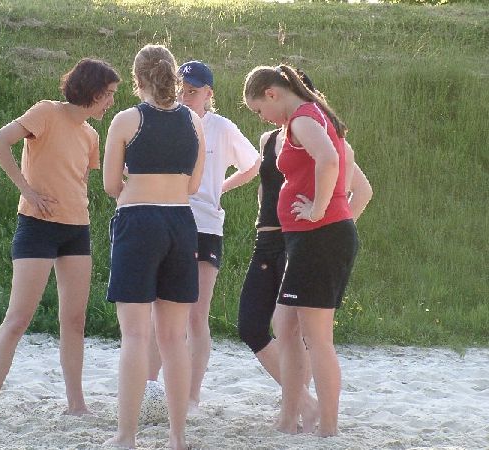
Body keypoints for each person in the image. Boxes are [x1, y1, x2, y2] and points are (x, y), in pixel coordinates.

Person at [0, 59, 120, 416]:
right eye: (108, 94)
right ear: (92, 91)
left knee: (74, 321)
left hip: (77, 230)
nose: (111, 102)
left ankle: (77, 405)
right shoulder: (46, 112)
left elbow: (80, 182)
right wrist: (27, 191)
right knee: (18, 319)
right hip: (37, 226)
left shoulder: (91, 135)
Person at [238, 72, 372, 433]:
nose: (262, 118)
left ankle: (328, 425)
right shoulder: (307, 117)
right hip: (306, 238)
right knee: (284, 325)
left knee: (317, 338)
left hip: (319, 236)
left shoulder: (302, 118)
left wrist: (317, 209)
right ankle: (290, 416)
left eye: (259, 110)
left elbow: (329, 160)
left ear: (272, 94)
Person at [102, 44, 205, 450]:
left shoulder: (127, 120)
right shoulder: (194, 122)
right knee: (174, 338)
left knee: (134, 336)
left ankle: (126, 436)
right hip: (181, 223)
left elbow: (111, 185)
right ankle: (178, 437)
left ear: (138, 79)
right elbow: (193, 185)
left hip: (138, 221)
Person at [147, 60, 261, 410]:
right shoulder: (164, 118)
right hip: (166, 220)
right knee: (160, 312)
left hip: (205, 225)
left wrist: (219, 188)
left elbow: (253, 164)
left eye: (193, 90)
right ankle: (149, 387)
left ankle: (192, 395)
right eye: (181, 89)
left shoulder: (221, 127)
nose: (185, 95)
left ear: (209, 93)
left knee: (197, 314)